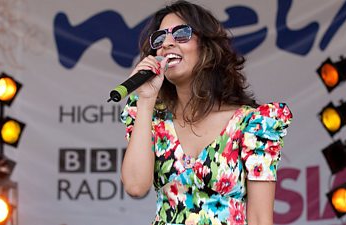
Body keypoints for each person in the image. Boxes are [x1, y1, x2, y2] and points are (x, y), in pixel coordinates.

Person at [120, 1, 292, 224]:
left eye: (181, 34)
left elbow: (260, 219)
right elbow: (135, 186)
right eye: (160, 39)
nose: (167, 44)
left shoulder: (252, 124)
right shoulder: (154, 118)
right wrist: (146, 99)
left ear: (207, 46)